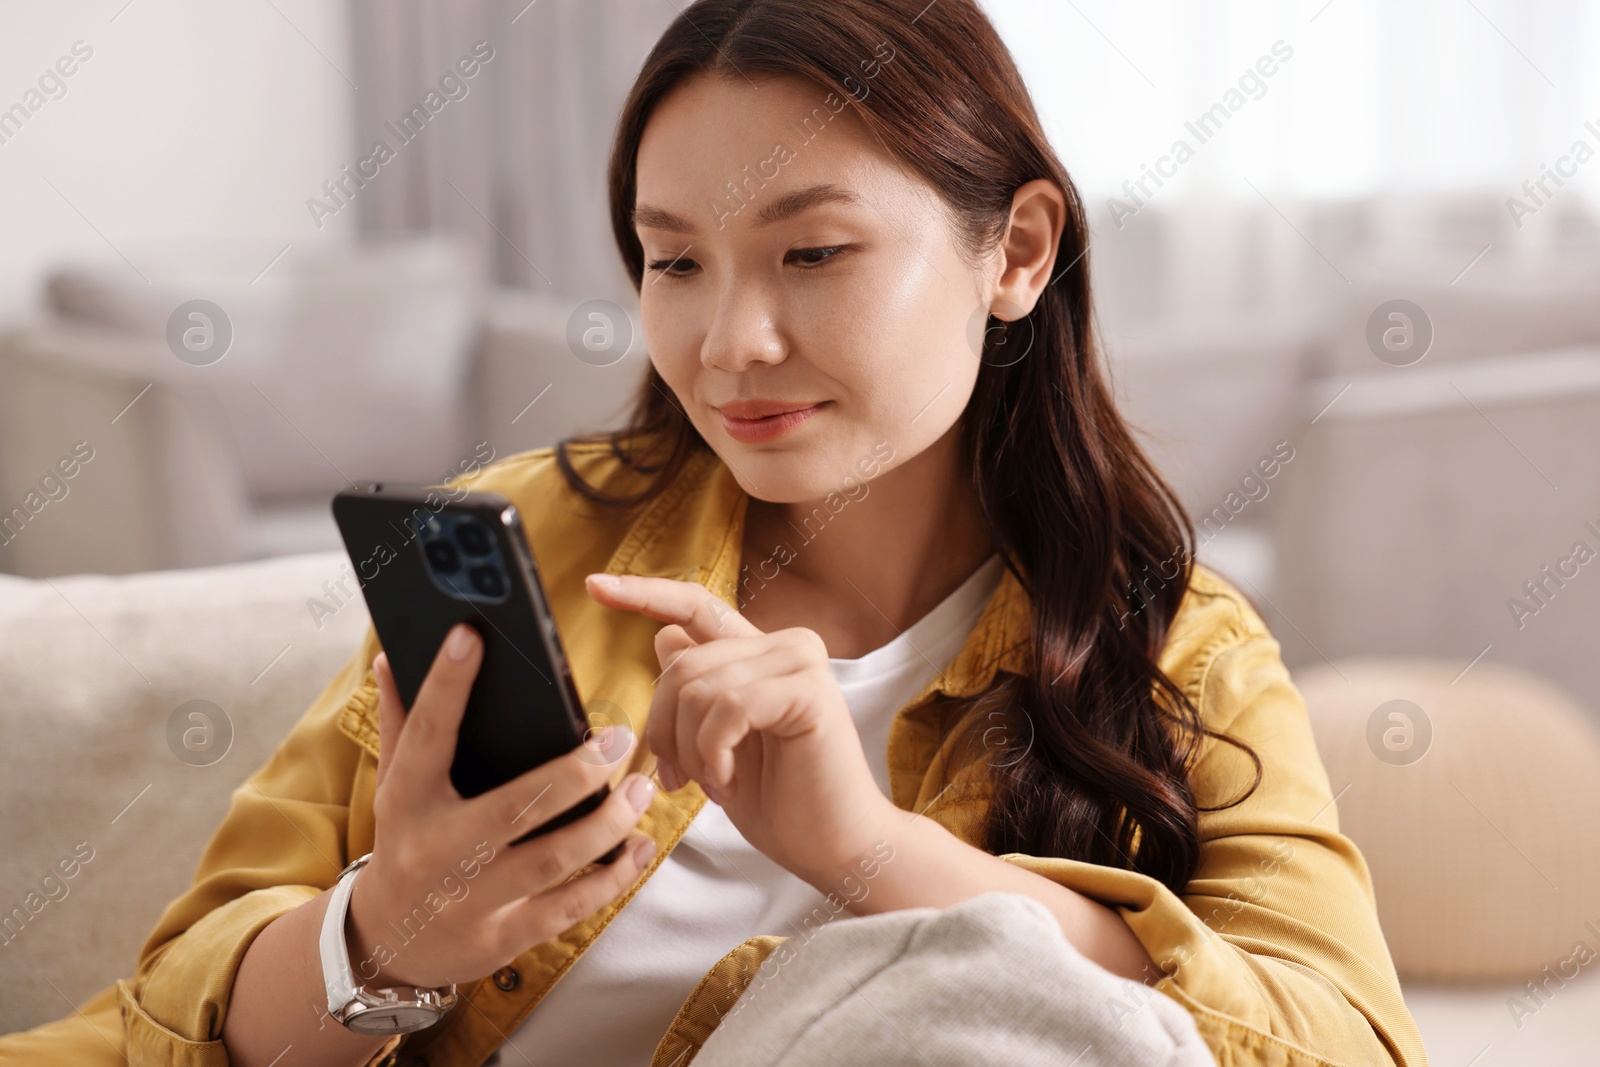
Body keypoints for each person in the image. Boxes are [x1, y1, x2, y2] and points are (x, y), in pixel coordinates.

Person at [0, 1, 1425, 1065]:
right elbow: (160, 1017)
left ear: (1020, 250)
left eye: (813, 252)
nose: (730, 340)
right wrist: (391, 940)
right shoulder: (541, 549)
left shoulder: (1176, 648)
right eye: (673, 260)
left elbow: (1348, 1043)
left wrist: (859, 848)